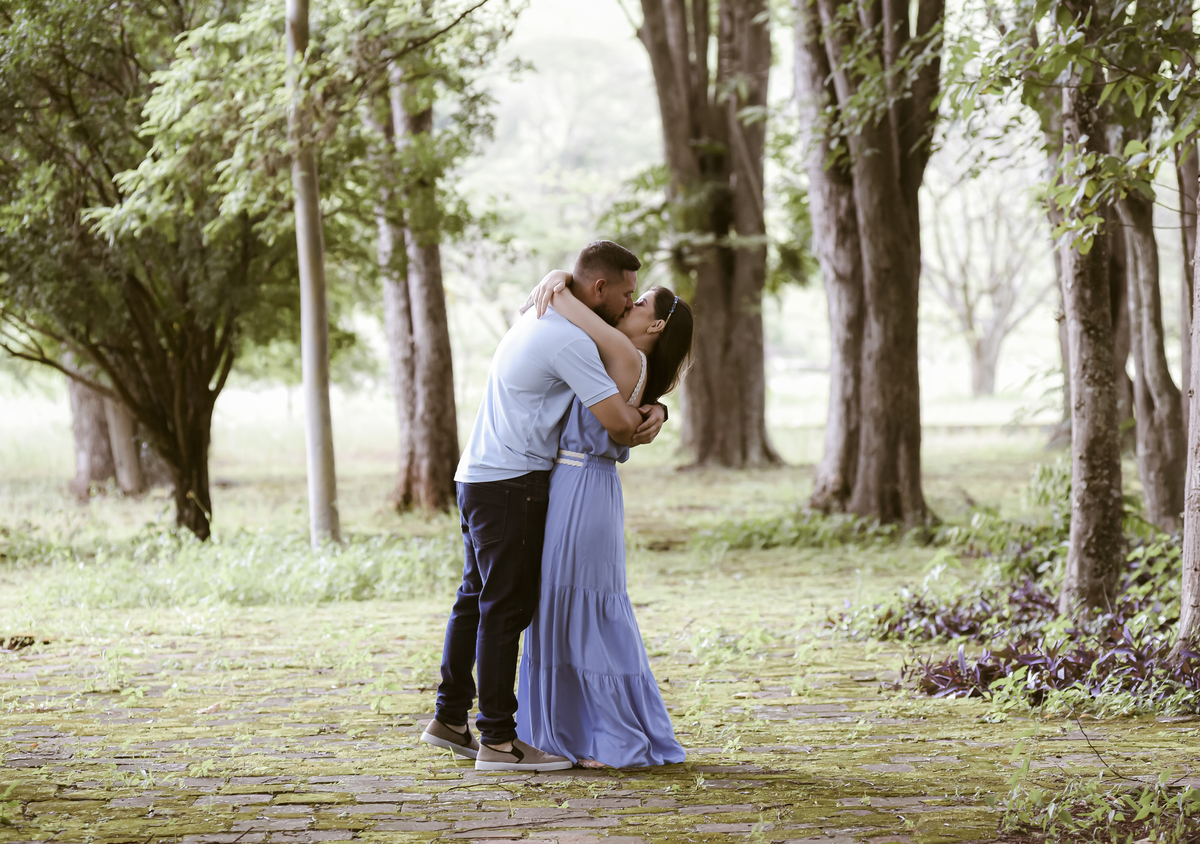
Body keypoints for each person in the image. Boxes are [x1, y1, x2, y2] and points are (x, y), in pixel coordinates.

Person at [421, 241, 668, 772]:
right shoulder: (568, 341)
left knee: (476, 597)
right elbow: (620, 425)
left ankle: (449, 718)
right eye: (626, 295)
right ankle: (498, 740)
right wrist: (650, 416)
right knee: (504, 607)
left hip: (476, 475)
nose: (628, 306)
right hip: (512, 482)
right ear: (598, 288)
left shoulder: (538, 317)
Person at [515, 268, 693, 768]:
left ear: (655, 326)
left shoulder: (620, 349)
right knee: (574, 604)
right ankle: (584, 728)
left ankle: (588, 732)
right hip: (587, 486)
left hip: (579, 486)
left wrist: (554, 282)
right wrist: (658, 406)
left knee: (571, 604)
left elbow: (564, 305)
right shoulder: (628, 360)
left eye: (640, 304)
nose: (629, 305)